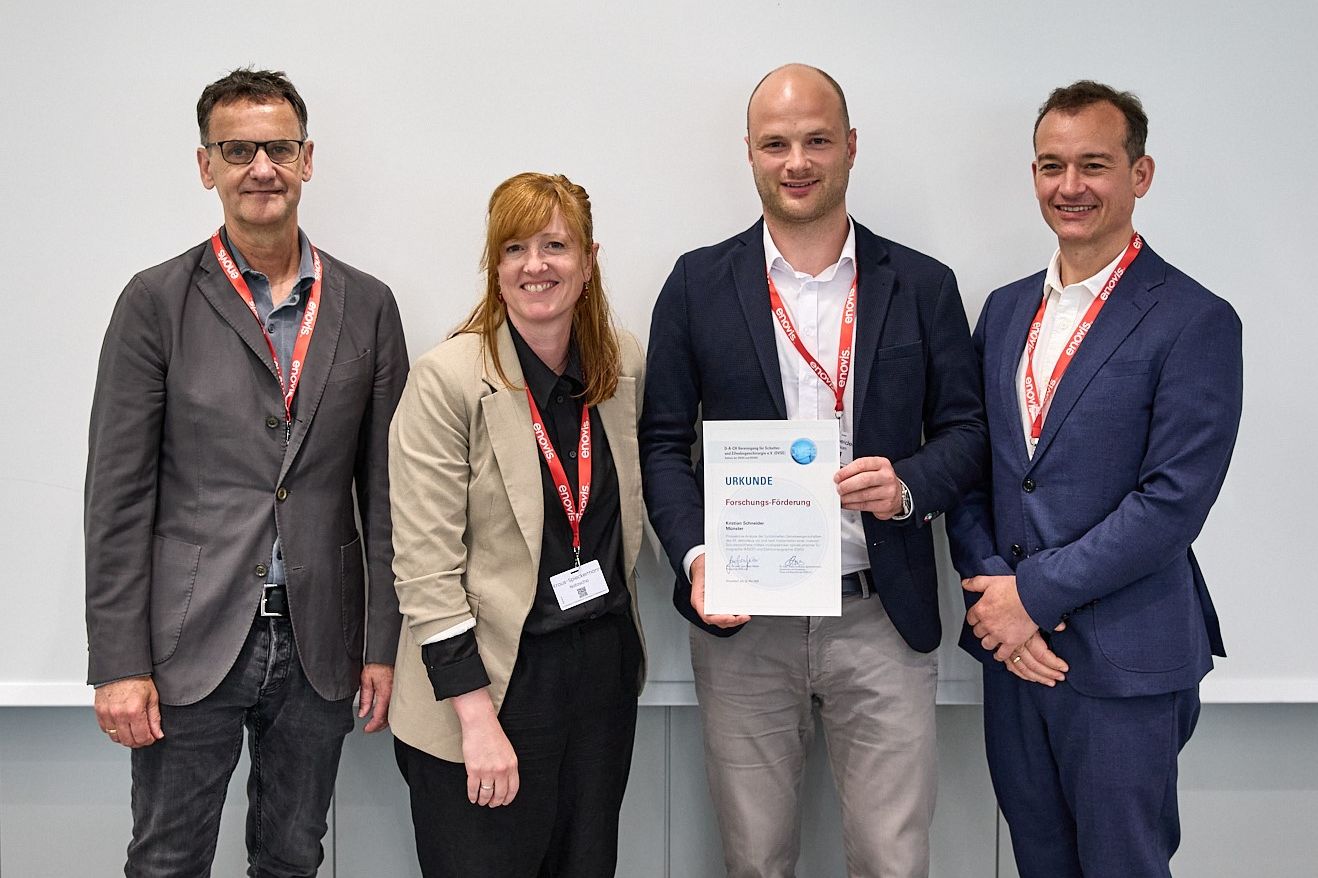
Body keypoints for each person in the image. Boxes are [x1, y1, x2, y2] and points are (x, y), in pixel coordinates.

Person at [640, 64, 985, 878]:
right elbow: (662, 443)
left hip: (880, 615)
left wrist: (906, 488)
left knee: (892, 862)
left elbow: (968, 432)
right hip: (746, 623)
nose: (796, 162)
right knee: (756, 862)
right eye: (776, 144)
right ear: (750, 154)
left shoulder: (923, 285)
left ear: (851, 147)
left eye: (817, 140)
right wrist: (697, 558)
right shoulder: (696, 284)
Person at [84, 67, 408, 876]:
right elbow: (118, 499)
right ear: (207, 167)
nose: (261, 167)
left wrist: (382, 643)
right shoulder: (154, 302)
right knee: (167, 859)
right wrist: (119, 663)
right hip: (186, 643)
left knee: (293, 856)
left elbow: (387, 495)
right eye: (237, 150)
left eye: (278, 148)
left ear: (307, 160)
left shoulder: (368, 305)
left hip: (321, 642)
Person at [947, 81, 1243, 878]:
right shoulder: (1005, 311)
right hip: (1014, 656)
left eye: (1094, 165)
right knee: (1041, 862)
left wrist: (1030, 598)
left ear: (1140, 174)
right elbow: (972, 470)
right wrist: (996, 598)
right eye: (1052, 165)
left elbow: (1171, 504)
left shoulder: (1194, 319)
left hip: (1124, 662)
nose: (1069, 185)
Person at [387, 172, 647, 877]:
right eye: (514, 248)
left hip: (599, 681)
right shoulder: (447, 379)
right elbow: (425, 571)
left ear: (589, 261)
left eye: (555, 245)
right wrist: (476, 722)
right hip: (491, 683)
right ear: (494, 265)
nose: (535, 265)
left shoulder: (621, 364)